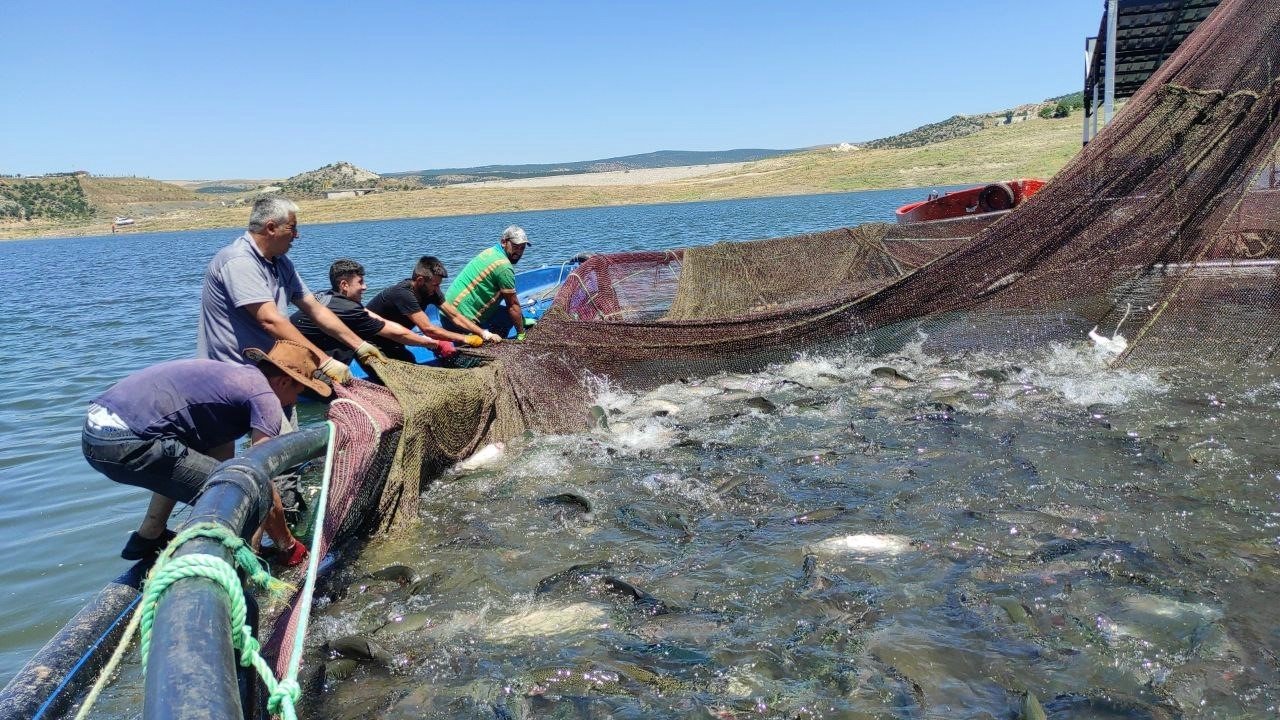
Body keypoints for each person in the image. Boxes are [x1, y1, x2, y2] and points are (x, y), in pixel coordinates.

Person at [82, 341, 331, 565]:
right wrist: (287, 546)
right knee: (248, 494)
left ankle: (149, 536)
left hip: (95, 431)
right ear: (284, 381)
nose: (294, 402)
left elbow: (219, 456)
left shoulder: (235, 378)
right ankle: (241, 568)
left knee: (194, 465)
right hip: (126, 441)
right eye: (298, 392)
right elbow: (258, 477)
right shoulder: (265, 397)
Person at [196, 196, 386, 386]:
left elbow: (315, 308)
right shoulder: (239, 261)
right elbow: (270, 320)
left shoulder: (281, 263)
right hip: (234, 376)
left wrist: (359, 345)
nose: (297, 235)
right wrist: (323, 361)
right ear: (271, 228)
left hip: (273, 372)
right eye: (292, 227)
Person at [290, 259, 457, 378]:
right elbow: (396, 333)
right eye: (360, 282)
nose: (365, 287)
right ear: (344, 285)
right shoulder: (347, 309)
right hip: (293, 364)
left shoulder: (329, 296)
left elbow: (380, 320)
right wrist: (434, 343)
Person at [366, 255, 492, 362]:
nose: (438, 289)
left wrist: (483, 333)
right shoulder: (403, 294)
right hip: (370, 340)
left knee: (409, 362)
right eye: (435, 285)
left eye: (439, 285)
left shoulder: (431, 291)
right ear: (420, 280)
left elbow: (455, 316)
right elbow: (428, 329)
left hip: (395, 338)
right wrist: (465, 338)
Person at [443, 225, 531, 340]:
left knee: (508, 316)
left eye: (522, 248)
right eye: (515, 246)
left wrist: (521, 319)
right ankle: (495, 346)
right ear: (504, 242)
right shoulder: (504, 267)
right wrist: (521, 332)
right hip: (457, 320)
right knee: (509, 318)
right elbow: (513, 305)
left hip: (445, 311)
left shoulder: (491, 252)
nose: (519, 252)